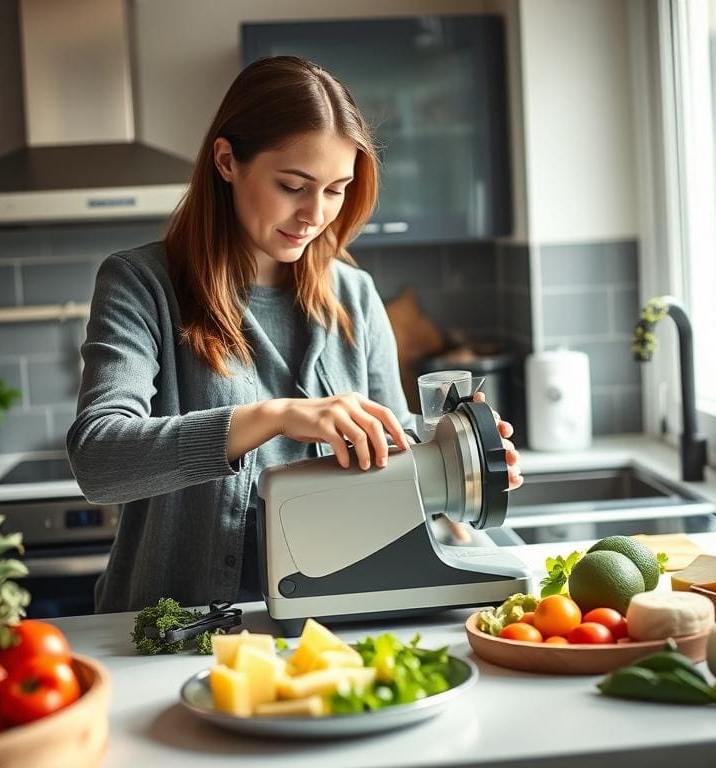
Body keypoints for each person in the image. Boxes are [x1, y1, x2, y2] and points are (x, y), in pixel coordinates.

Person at [67, 56, 523, 614]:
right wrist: (275, 417)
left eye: (336, 190)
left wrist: (464, 460)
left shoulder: (354, 294)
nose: (315, 214)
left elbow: (397, 451)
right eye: (292, 185)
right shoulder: (141, 284)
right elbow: (98, 459)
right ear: (227, 161)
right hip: (174, 631)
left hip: (330, 622)